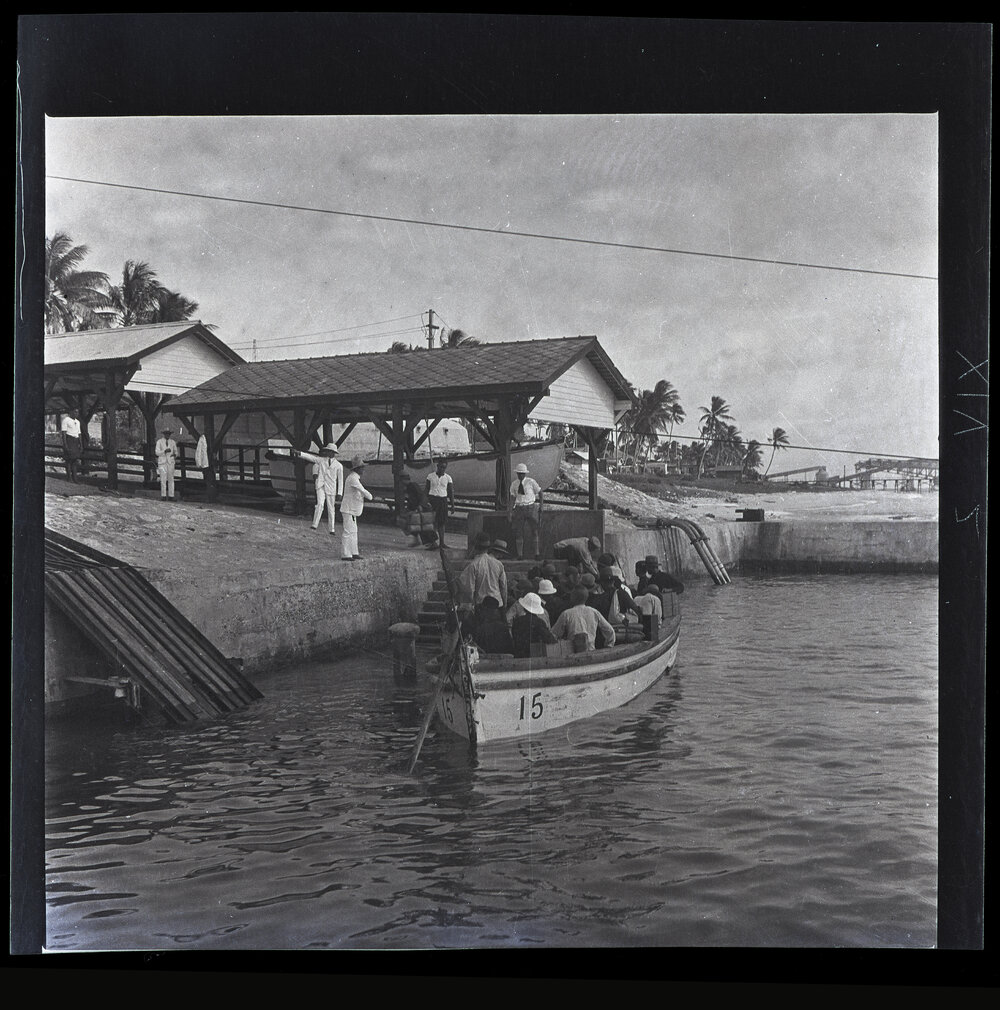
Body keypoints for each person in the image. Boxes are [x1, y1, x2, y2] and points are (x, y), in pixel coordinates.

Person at [291, 443, 344, 534]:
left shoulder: (339, 466)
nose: (328, 453)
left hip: (331, 488)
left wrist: (339, 493)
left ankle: (332, 529)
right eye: (328, 451)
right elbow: (311, 457)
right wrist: (299, 453)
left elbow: (341, 480)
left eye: (330, 451)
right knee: (320, 504)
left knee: (331, 508)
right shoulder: (321, 460)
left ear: (334, 453)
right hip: (320, 485)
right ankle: (314, 525)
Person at [551, 586, 617, 653]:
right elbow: (610, 631)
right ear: (587, 597)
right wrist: (608, 647)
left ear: (572, 597)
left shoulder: (566, 614)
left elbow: (554, 634)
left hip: (573, 653)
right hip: (592, 651)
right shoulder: (594, 612)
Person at [456, 531, 508, 616]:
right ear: (488, 548)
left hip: (482, 606)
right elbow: (503, 587)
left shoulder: (473, 565)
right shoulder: (498, 564)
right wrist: (504, 604)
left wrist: (472, 605)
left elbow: (469, 591)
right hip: (497, 605)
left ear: (475, 548)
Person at [508, 462, 543, 560]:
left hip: (530, 507)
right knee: (519, 532)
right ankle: (520, 555)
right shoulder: (514, 484)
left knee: (535, 531)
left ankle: (537, 554)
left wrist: (541, 506)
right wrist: (510, 511)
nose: (520, 475)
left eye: (522, 473)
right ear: (517, 474)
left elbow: (540, 492)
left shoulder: (531, 482)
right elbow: (512, 498)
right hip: (519, 508)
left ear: (525, 474)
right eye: (519, 473)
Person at [340, 455, 373, 560]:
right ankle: (346, 554)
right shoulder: (353, 478)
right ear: (358, 469)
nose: (363, 469)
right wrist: (370, 496)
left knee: (353, 531)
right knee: (348, 532)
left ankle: (354, 552)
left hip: (351, 509)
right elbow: (362, 490)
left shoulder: (354, 477)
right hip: (348, 509)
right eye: (362, 467)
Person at [510, 592, 558, 658]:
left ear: (524, 608)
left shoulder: (517, 621)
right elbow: (550, 640)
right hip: (534, 656)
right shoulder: (539, 622)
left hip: (519, 655)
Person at [400, 475, 438, 548]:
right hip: (418, 508)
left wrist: (420, 505)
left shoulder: (413, 486)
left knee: (425, 526)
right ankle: (418, 541)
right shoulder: (408, 487)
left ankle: (432, 543)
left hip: (422, 507)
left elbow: (421, 496)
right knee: (417, 524)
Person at [425, 459, 455, 549]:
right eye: (441, 467)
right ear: (437, 466)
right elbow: (426, 489)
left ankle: (442, 542)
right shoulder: (430, 476)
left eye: (444, 467)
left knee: (441, 522)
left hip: (442, 500)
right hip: (432, 499)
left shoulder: (448, 478)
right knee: (432, 521)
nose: (442, 469)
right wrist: (425, 501)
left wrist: (452, 505)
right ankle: (433, 543)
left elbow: (450, 492)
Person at [155, 426, 179, 501]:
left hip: (170, 462)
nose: (167, 435)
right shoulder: (159, 442)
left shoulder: (172, 442)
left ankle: (171, 495)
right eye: (166, 434)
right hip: (162, 462)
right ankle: (163, 495)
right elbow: (157, 452)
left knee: (171, 479)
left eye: (168, 434)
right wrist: (164, 451)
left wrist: (174, 455)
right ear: (164, 434)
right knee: (163, 478)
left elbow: (176, 452)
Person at [60, 409, 82, 483]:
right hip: (69, 440)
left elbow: (79, 434)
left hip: (75, 441)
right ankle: (69, 478)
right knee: (69, 460)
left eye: (78, 412)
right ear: (71, 412)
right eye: (75, 412)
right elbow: (63, 433)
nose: (77, 413)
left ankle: (75, 478)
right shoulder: (66, 420)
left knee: (75, 460)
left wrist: (81, 445)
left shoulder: (78, 422)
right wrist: (65, 444)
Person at [195, 433, 218, 502]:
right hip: (206, 464)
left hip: (211, 464)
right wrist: (199, 463)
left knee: (212, 481)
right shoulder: (202, 439)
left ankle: (212, 496)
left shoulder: (211, 442)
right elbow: (198, 452)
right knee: (208, 481)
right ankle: (210, 497)